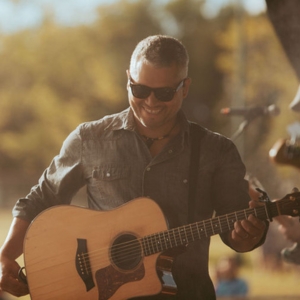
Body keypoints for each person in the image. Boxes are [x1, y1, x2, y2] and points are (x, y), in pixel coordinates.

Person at [0, 35, 268, 300]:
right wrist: (5, 256)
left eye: (164, 93)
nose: (151, 102)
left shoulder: (216, 151)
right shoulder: (89, 139)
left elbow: (238, 233)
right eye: (140, 90)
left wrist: (248, 234)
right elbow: (40, 199)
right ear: (128, 78)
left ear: (184, 87)